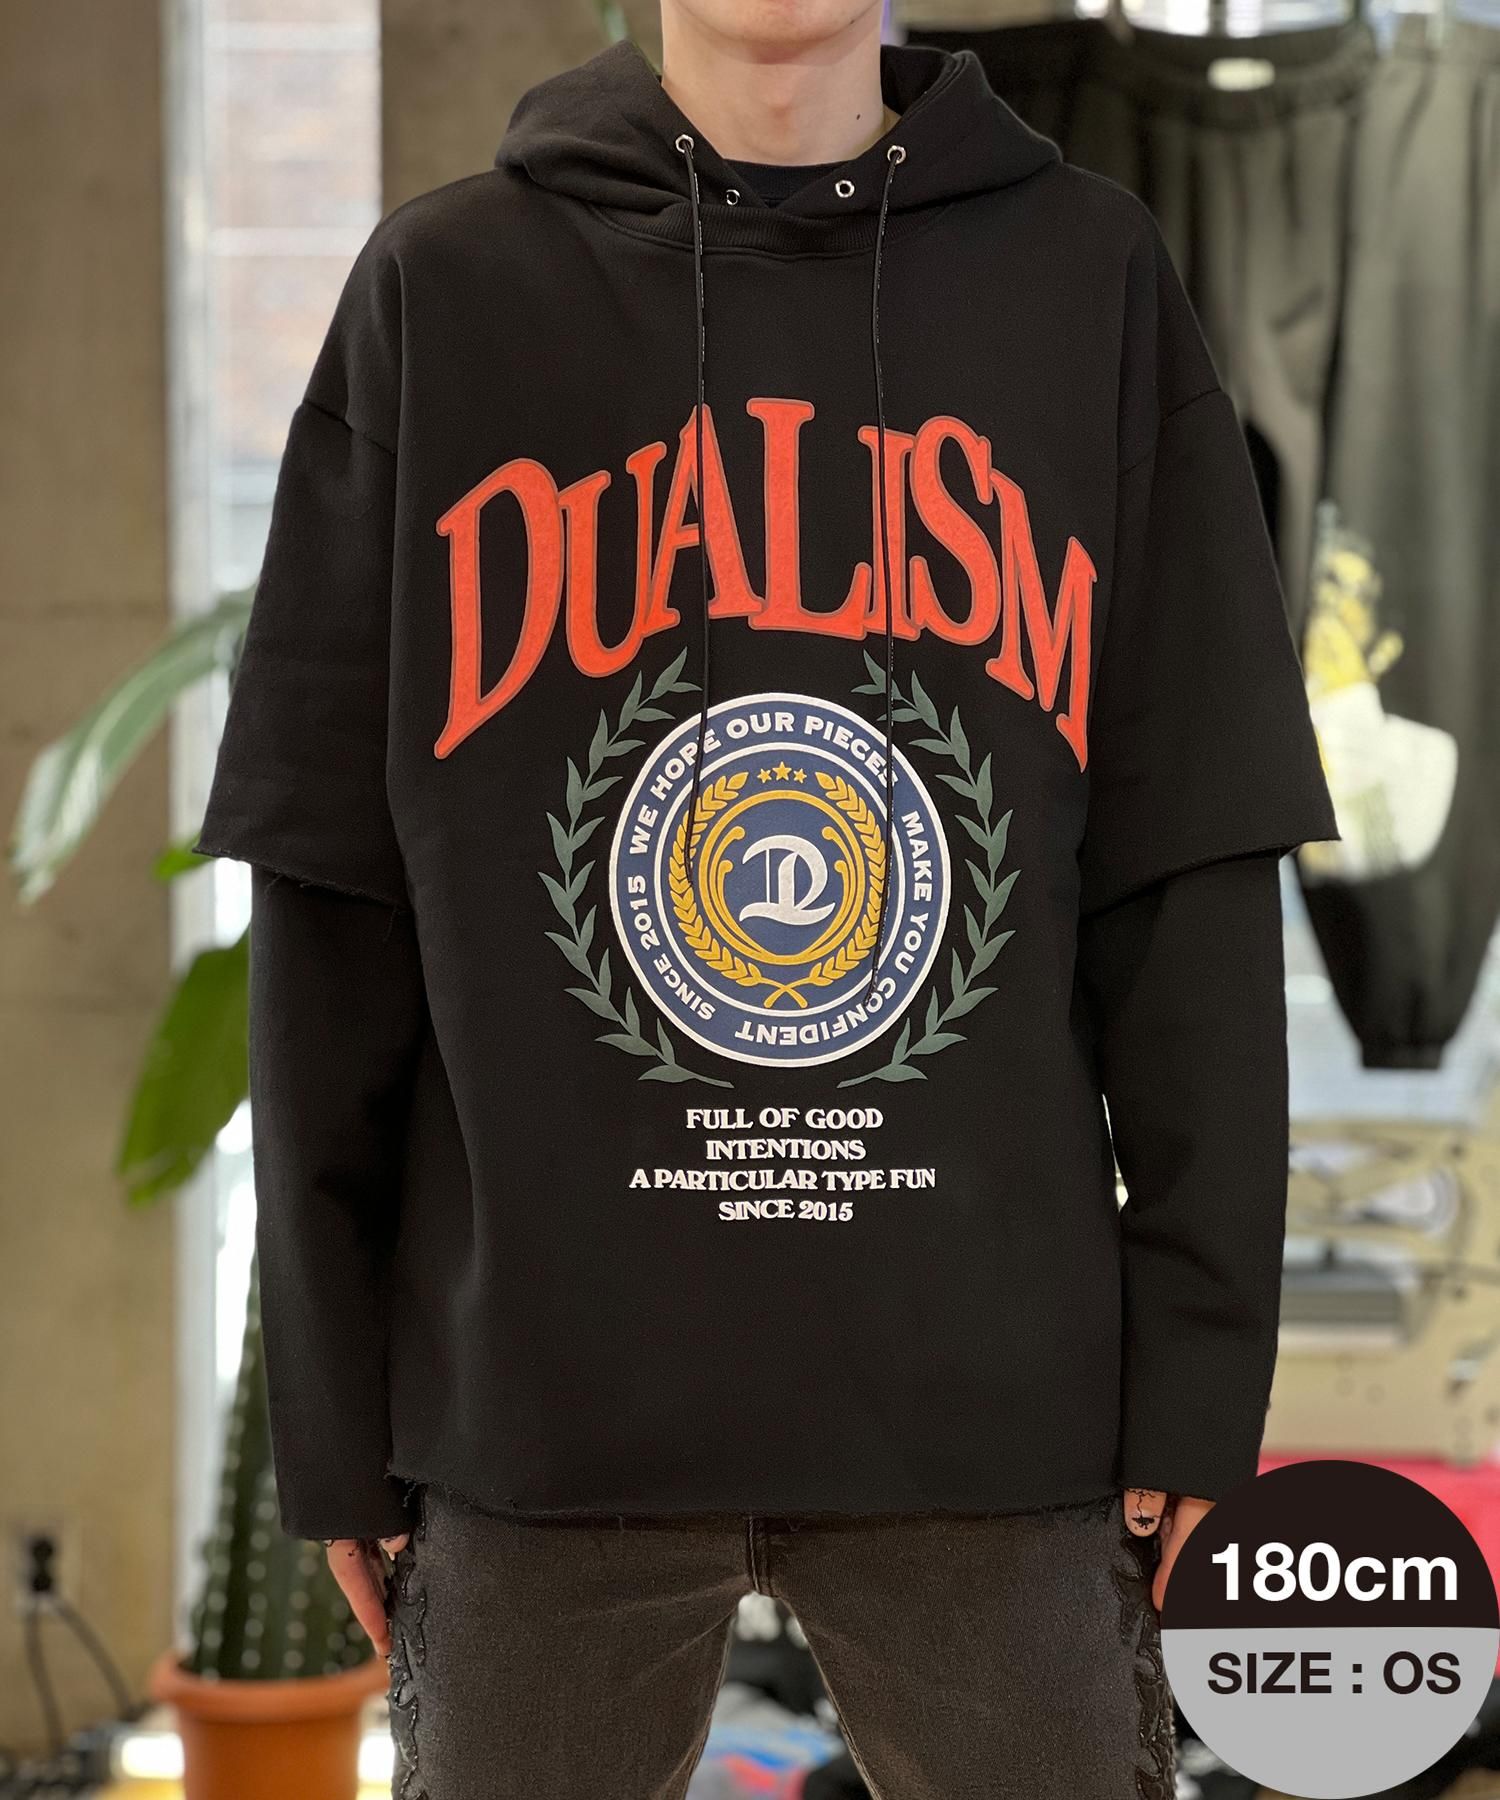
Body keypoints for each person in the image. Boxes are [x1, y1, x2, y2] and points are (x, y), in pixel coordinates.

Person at [197, 2, 1338, 1794]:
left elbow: (1188, 868)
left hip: (992, 1408)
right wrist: (335, 1423)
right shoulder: (446, 290)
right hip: (544, 1409)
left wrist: (1201, 1384)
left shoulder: (1087, 278)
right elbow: (331, 892)